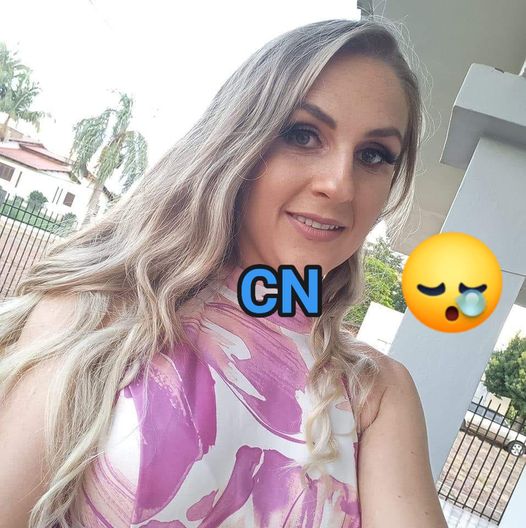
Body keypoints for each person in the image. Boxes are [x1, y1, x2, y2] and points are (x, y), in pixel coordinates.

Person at [0, 16, 448, 528]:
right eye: (303, 134)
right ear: (238, 140)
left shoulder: (375, 394)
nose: (340, 185)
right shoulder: (102, 313)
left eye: (373, 155)